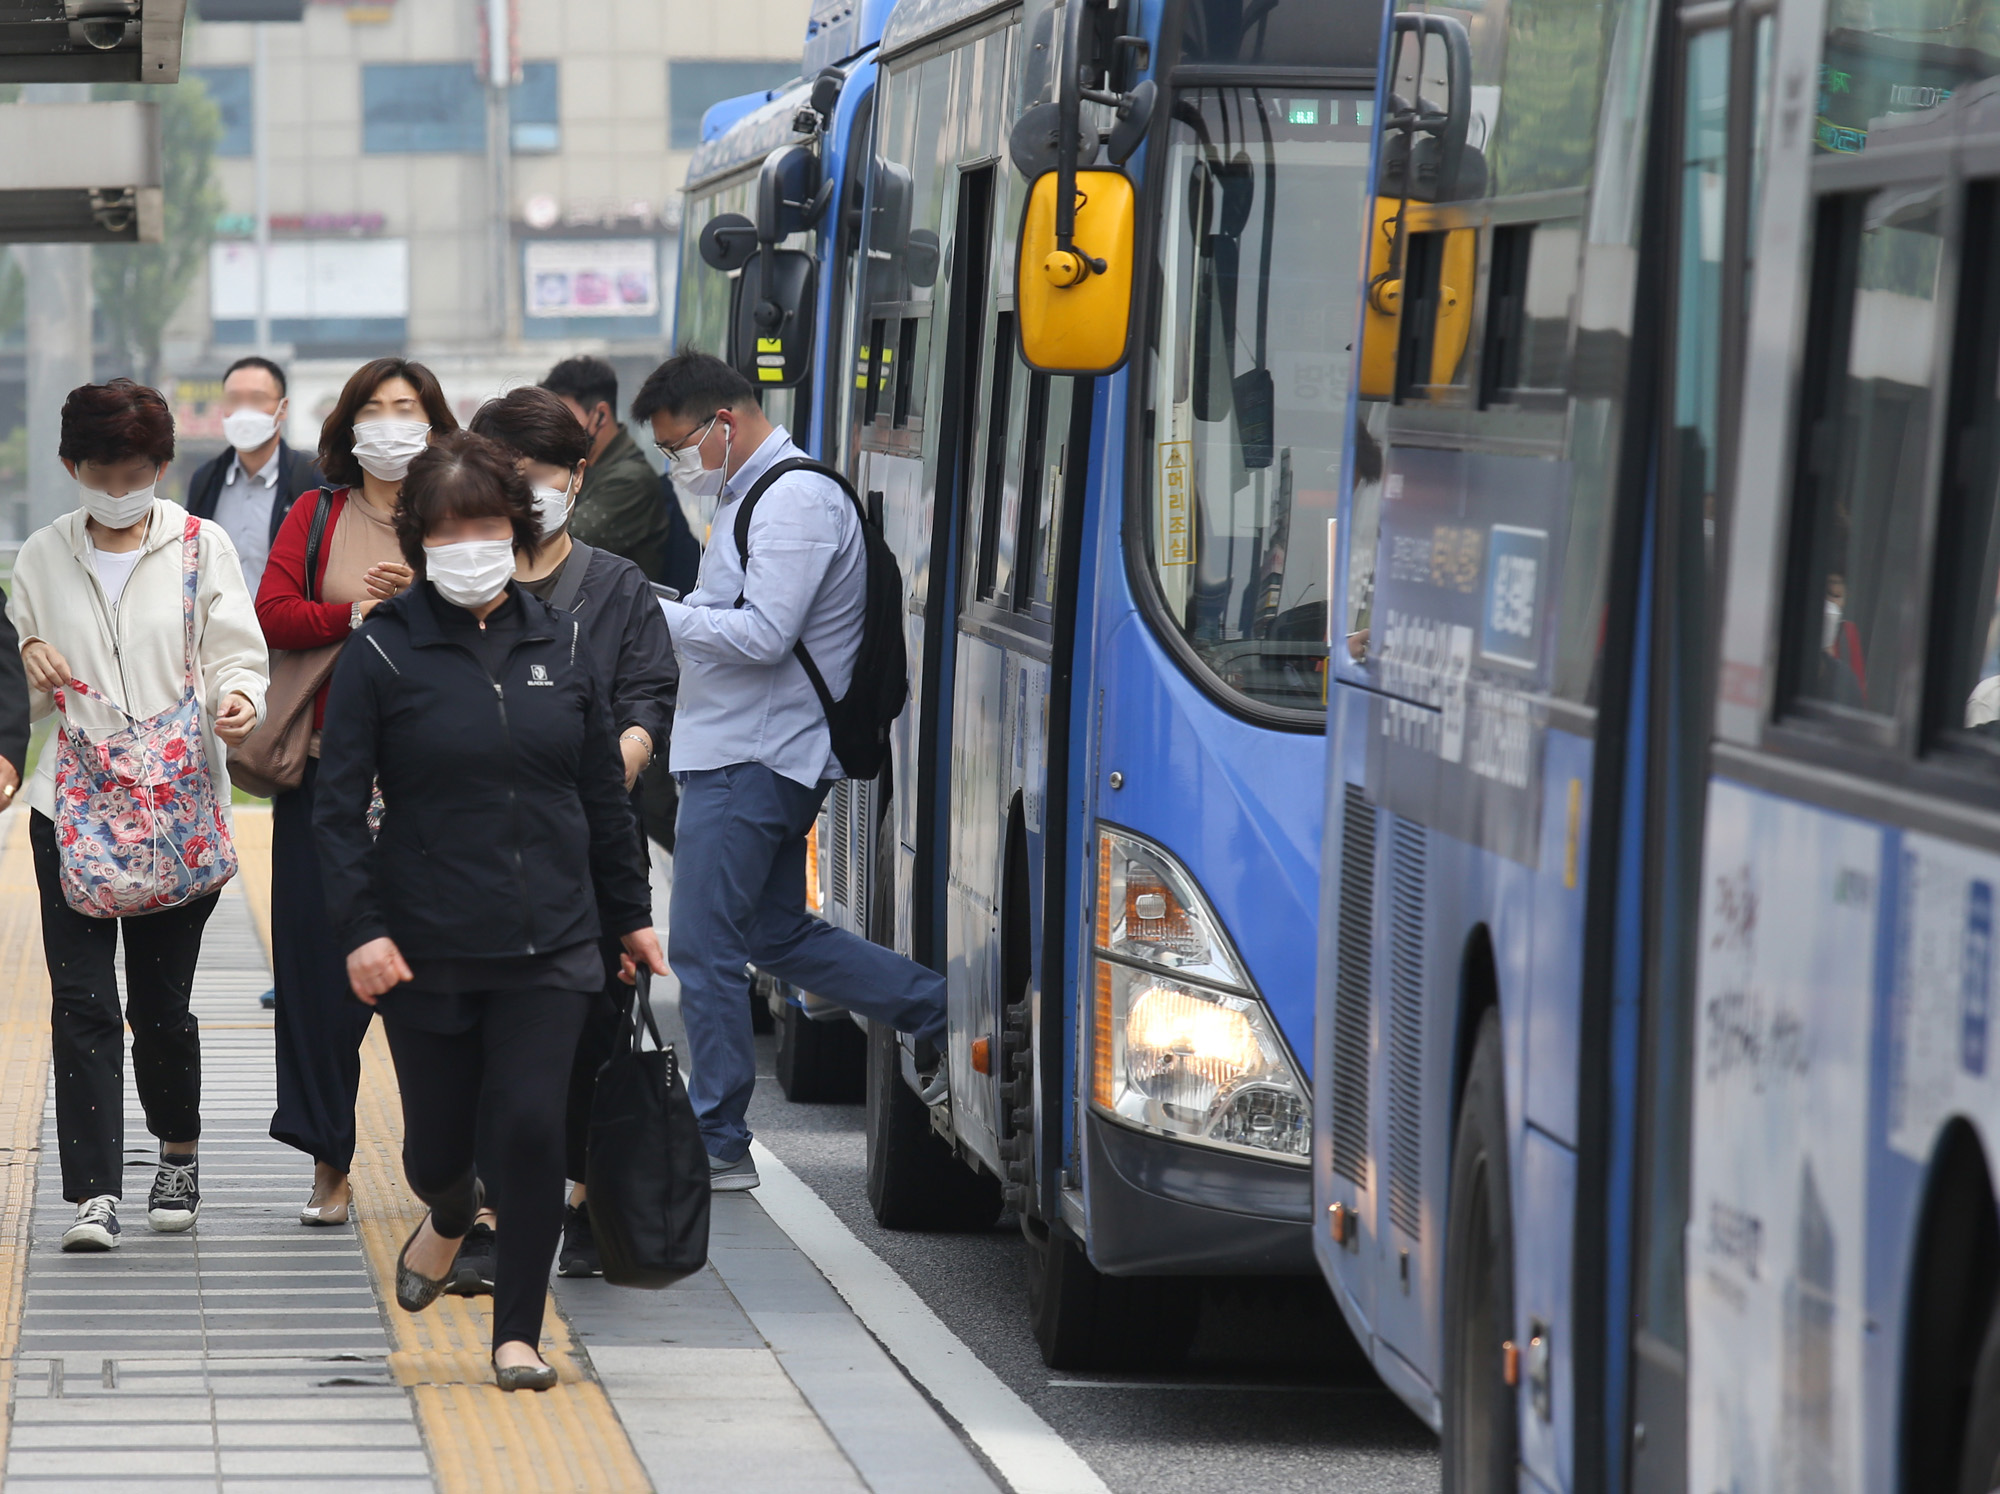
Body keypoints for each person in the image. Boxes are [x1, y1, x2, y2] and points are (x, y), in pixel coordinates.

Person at [314, 430, 665, 1391]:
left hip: (552, 940)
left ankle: (518, 1335)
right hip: (424, 944)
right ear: (421, 540)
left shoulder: (563, 642)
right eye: (449, 529)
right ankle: (444, 1213)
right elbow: (338, 810)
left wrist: (628, 916)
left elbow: (600, 795)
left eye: (487, 526)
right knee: (436, 1153)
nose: (471, 545)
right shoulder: (383, 655)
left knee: (528, 1131)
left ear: (516, 530)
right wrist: (362, 930)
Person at [635, 352, 946, 1192]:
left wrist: (648, 613)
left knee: (699, 948)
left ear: (723, 424)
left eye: (679, 447)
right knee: (772, 934)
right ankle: (933, 1009)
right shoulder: (749, 492)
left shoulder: (794, 500)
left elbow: (766, 635)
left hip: (755, 756)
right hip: (744, 750)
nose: (679, 465)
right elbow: (726, 614)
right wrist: (665, 603)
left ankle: (719, 1140)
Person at [8, 379, 268, 1251]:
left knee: (162, 1006)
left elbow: (237, 653)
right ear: (69, 467)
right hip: (72, 810)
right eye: (101, 470)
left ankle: (179, 1150)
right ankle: (91, 1194)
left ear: (163, 466)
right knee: (81, 1001)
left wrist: (239, 700)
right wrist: (29, 666)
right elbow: (26, 698)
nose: (119, 487)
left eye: (137, 470)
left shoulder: (203, 547)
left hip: (176, 812)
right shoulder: (42, 555)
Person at [445, 385, 676, 1288]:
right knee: (480, 1041)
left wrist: (616, 754)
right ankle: (492, 1210)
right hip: (468, 860)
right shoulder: (453, 587)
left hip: (585, 852)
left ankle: (573, 1203)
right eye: (507, 478)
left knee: (581, 1037)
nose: (524, 495)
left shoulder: (616, 587)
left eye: (537, 477)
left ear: (576, 478)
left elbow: (649, 696)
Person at [258, 357, 455, 1228]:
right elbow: (272, 612)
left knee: (439, 969)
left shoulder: (461, 515)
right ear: (346, 426)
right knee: (317, 965)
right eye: (373, 410)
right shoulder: (317, 512)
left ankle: (449, 1172)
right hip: (330, 773)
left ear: (435, 422)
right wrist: (354, 616)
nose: (390, 424)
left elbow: (504, 611)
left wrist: (425, 596)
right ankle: (328, 1160)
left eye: (406, 409)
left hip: (437, 778)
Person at [184, 355, 324, 599]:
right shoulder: (206, 480)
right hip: (220, 630)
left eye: (257, 399)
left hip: (287, 630)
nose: (244, 410)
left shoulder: (312, 478)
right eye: (234, 400)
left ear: (283, 409)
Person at [541, 356, 672, 579]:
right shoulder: (586, 464)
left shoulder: (630, 479)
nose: (556, 430)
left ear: (601, 414)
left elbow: (562, 542)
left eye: (565, 418)